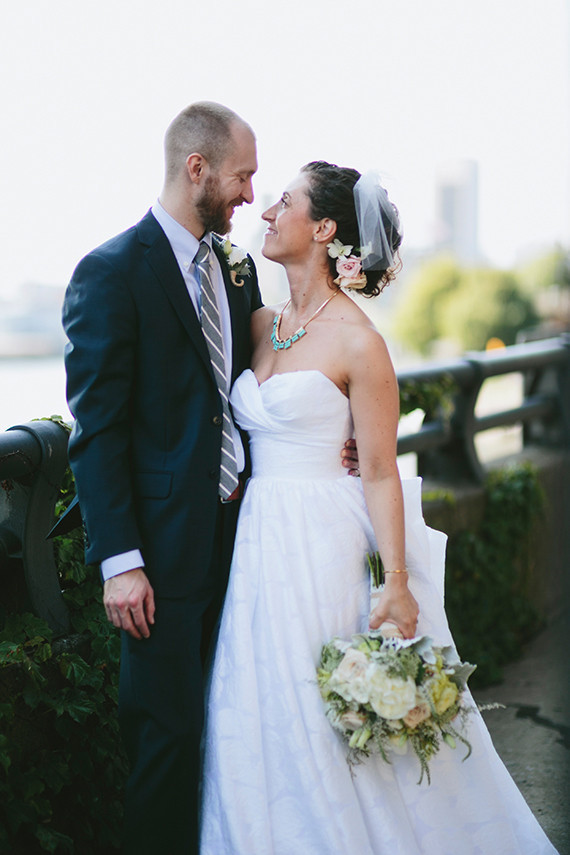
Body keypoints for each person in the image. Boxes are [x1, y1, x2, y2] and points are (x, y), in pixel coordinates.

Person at [199, 162, 559, 854]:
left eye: (285, 201)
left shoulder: (362, 343)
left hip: (322, 542)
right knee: (256, 701)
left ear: (325, 227)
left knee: (316, 707)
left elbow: (379, 472)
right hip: (256, 542)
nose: (268, 211)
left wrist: (396, 582)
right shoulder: (259, 322)